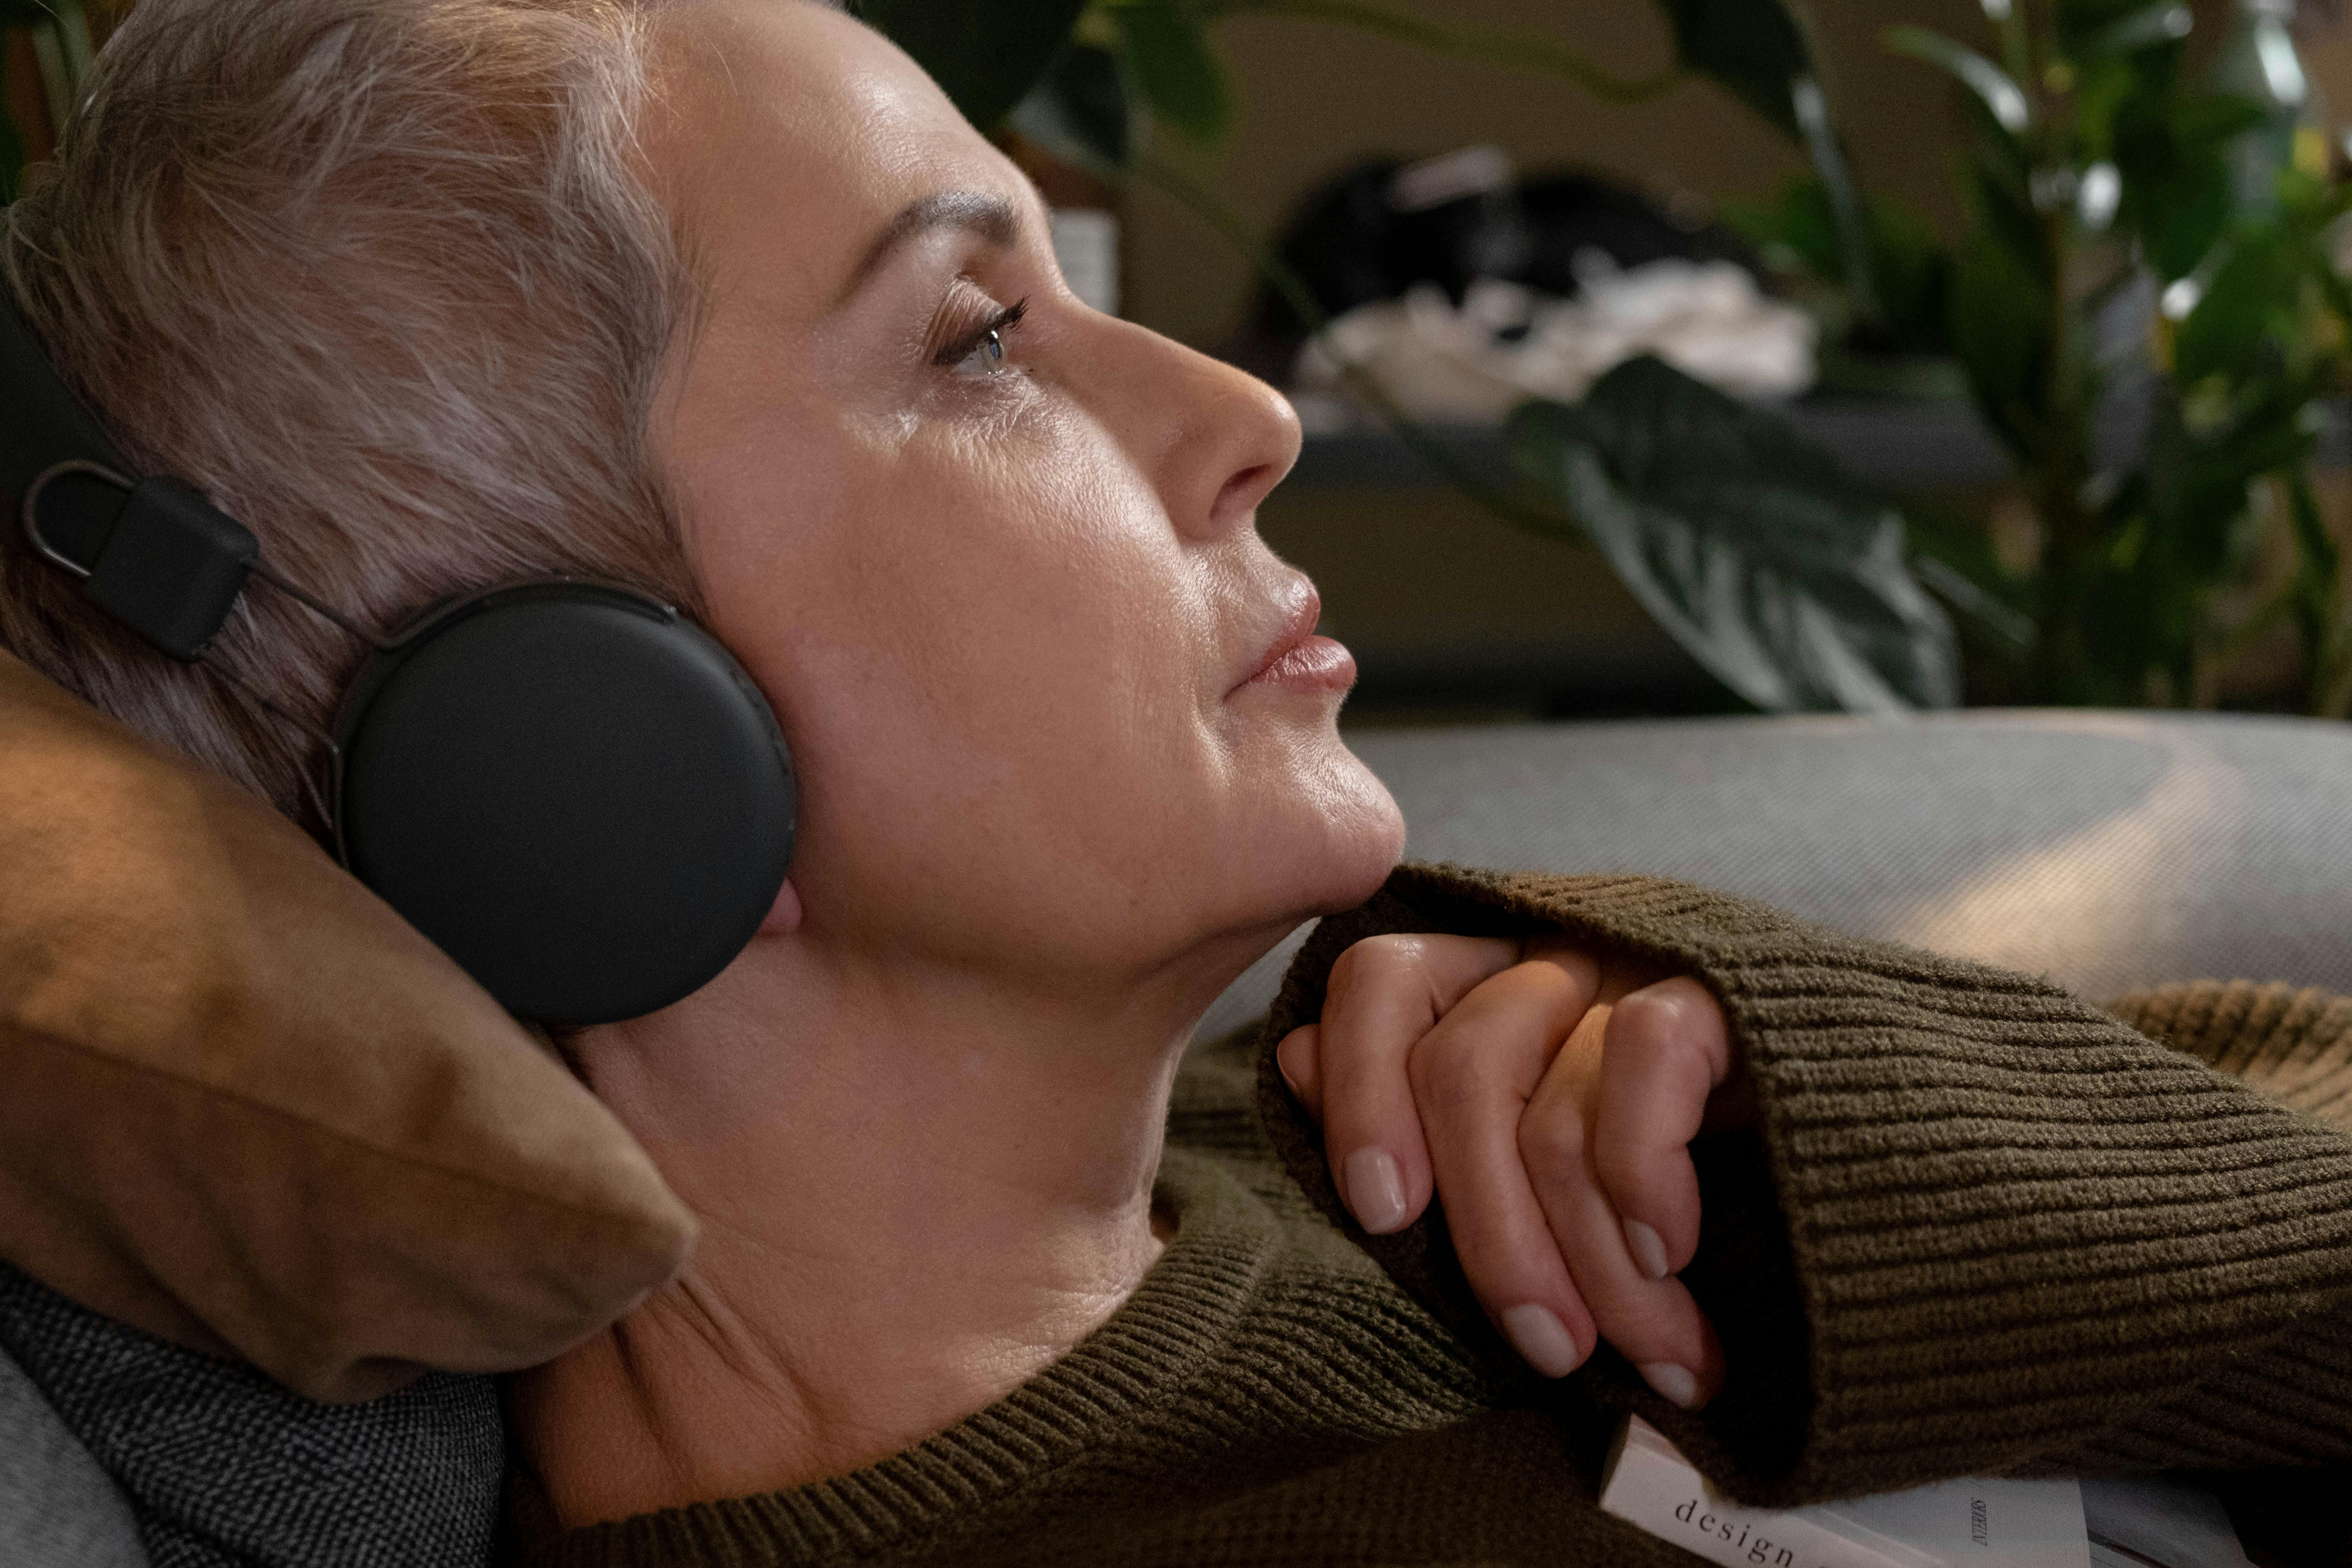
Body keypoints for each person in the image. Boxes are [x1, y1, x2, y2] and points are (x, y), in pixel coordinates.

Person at [4, 2, 2352, 1565]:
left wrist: (1829, 1123)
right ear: (581, 757)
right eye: (982, 340)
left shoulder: (1439, 1089)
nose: (1251, 412)